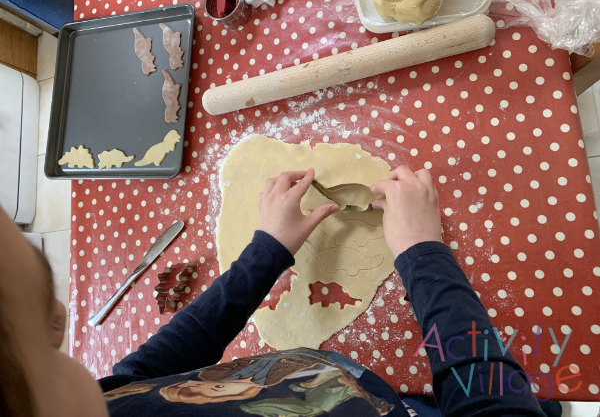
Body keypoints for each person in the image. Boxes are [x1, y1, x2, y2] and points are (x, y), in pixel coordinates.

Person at [0, 166, 559, 416]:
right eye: (48, 337)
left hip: (359, 391)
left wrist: (264, 253)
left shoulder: (95, 406)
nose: (62, 310)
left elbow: (147, 373)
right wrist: (422, 253)